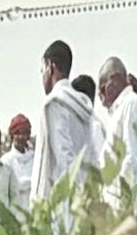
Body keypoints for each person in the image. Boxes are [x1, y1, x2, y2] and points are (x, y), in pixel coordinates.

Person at [31, 38, 94, 203]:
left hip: (60, 202)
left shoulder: (54, 103)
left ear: (50, 66)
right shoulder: (84, 108)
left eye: (42, 70)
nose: (42, 76)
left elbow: (64, 156)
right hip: (83, 199)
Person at [95, 55, 137, 185]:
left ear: (114, 80)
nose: (100, 95)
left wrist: (120, 192)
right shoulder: (119, 110)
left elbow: (133, 157)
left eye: (102, 88)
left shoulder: (131, 103)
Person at [4, 113, 35, 211]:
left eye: (24, 133)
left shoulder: (34, 158)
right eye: (17, 133)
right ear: (12, 136)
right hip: (15, 211)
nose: (21, 137)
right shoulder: (6, 161)